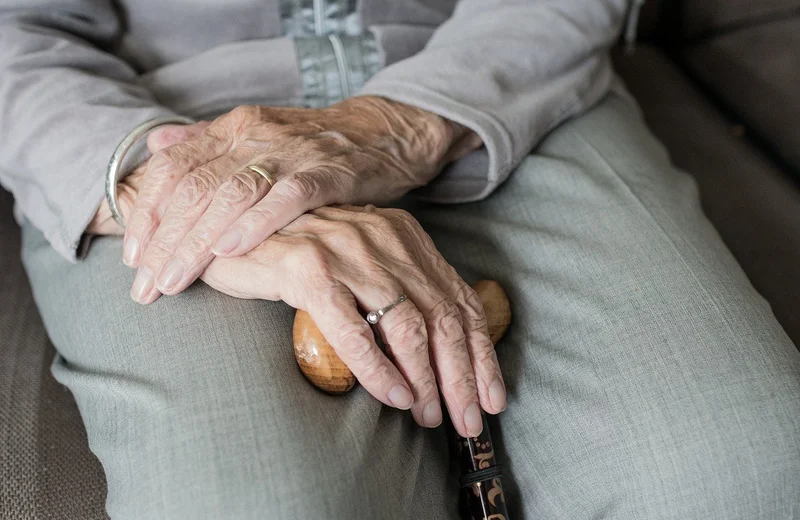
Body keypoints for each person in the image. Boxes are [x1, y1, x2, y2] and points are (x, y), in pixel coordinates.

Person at [2, 0, 799, 518]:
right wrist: (179, 190)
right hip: (151, 125)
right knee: (249, 505)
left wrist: (397, 124)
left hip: (504, 79)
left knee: (744, 472)